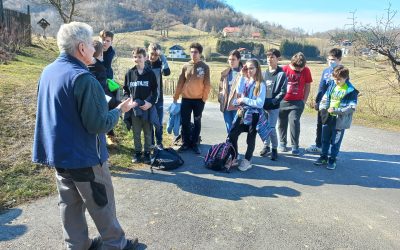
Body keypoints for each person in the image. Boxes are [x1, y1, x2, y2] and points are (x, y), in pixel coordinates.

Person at [32, 22, 138, 250]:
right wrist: (120, 110)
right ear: (81, 48)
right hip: (86, 157)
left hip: (58, 155)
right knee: (102, 203)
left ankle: (78, 245)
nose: (94, 49)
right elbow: (98, 124)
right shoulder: (84, 78)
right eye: (91, 44)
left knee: (69, 205)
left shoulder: (47, 71)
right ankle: (115, 244)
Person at [313, 65, 358, 170]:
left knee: (335, 142)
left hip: (340, 121)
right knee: (324, 139)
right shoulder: (332, 85)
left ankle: (332, 159)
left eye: (339, 79)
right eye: (335, 79)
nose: (336, 81)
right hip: (328, 118)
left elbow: (351, 107)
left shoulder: (351, 90)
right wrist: (323, 109)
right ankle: (323, 157)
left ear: (346, 78)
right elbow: (324, 99)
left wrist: (337, 111)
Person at [228, 59, 266, 171]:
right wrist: (241, 75)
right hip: (242, 112)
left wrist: (244, 99)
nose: (249, 70)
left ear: (257, 69)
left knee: (250, 139)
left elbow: (259, 103)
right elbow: (239, 91)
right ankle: (234, 157)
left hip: (253, 115)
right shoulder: (245, 80)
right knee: (232, 134)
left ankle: (247, 160)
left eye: (251, 68)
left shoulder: (261, 84)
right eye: (247, 68)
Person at [173, 42, 211, 154]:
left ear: (200, 53)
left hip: (199, 100)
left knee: (197, 121)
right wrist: (176, 97)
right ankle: (185, 143)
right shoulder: (185, 66)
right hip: (186, 99)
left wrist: (204, 98)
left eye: (196, 52)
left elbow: (207, 84)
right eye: (192, 52)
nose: (193, 54)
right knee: (185, 122)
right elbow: (180, 82)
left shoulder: (205, 67)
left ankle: (194, 143)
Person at [123, 47, 158, 164]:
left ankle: (147, 153)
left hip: (147, 108)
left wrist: (150, 103)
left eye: (139, 57)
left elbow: (155, 92)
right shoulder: (129, 73)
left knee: (148, 132)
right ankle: (138, 153)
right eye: (135, 57)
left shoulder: (150, 74)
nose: (137, 59)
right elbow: (125, 90)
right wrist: (128, 100)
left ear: (145, 58)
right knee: (136, 132)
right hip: (134, 109)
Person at [306, 48, 343, 153]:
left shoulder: (342, 72)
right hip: (323, 103)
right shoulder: (326, 71)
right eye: (329, 59)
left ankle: (330, 147)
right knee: (320, 124)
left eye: (333, 60)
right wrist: (317, 101)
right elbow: (321, 88)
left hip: (334, 105)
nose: (331, 62)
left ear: (339, 60)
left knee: (331, 127)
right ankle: (318, 145)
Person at [279, 52, 313, 155]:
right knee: (281, 123)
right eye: (296, 68)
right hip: (282, 102)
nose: (298, 70)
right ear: (291, 63)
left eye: (300, 68)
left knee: (294, 121)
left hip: (297, 102)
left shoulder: (306, 70)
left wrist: (304, 100)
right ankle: (282, 143)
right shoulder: (283, 70)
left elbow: (307, 85)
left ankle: (295, 145)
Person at [259, 48, 287, 161]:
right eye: (268, 57)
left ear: (277, 59)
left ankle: (274, 149)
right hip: (263, 106)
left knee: (271, 128)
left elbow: (283, 91)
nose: (269, 59)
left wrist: (273, 101)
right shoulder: (263, 73)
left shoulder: (281, 74)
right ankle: (266, 146)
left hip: (273, 106)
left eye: (272, 57)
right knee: (264, 127)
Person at [146, 43, 171, 149]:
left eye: (156, 55)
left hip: (158, 98)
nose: (153, 57)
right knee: (149, 123)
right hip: (147, 99)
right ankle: (151, 143)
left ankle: (159, 142)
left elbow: (167, 72)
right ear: (148, 52)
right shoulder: (145, 63)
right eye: (151, 54)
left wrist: (163, 57)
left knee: (158, 123)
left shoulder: (160, 63)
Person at [99, 30, 119, 144]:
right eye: (103, 40)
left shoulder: (110, 52)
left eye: (108, 41)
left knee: (111, 103)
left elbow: (104, 66)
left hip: (108, 82)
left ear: (111, 42)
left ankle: (110, 132)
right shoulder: (94, 49)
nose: (105, 43)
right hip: (98, 81)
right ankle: (106, 133)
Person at [218, 49, 243, 133]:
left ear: (238, 60)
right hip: (226, 104)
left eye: (233, 59)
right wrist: (220, 99)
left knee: (235, 127)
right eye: (229, 59)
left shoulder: (244, 73)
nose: (231, 61)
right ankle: (230, 145)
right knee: (229, 127)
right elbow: (221, 88)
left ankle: (232, 144)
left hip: (237, 105)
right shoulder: (225, 73)